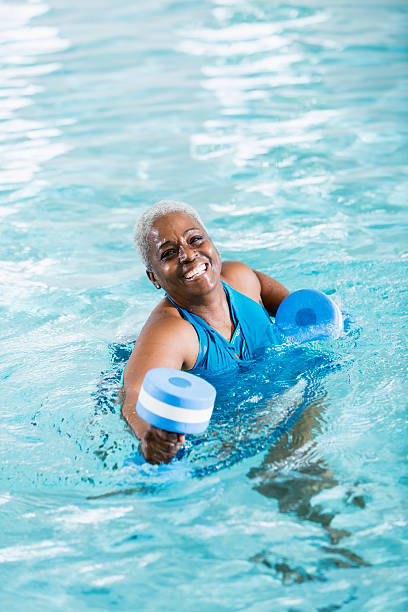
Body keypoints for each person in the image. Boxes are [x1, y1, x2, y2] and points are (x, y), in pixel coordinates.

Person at [121, 200, 289, 465]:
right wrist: (150, 437)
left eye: (195, 240)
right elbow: (134, 392)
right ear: (153, 278)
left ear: (212, 243)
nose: (188, 255)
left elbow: (295, 309)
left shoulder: (242, 279)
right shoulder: (173, 332)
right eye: (168, 253)